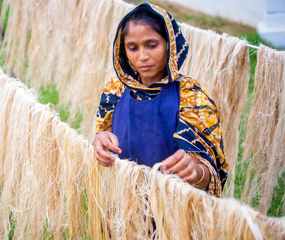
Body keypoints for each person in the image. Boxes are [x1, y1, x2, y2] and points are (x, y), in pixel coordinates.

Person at [92, 3, 228, 197]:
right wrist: (99, 141)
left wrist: (195, 171)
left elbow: (209, 176)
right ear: (123, 51)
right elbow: (104, 135)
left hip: (172, 209)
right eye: (133, 48)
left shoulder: (192, 97)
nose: (143, 56)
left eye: (152, 45)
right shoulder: (115, 90)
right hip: (123, 201)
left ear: (170, 44)